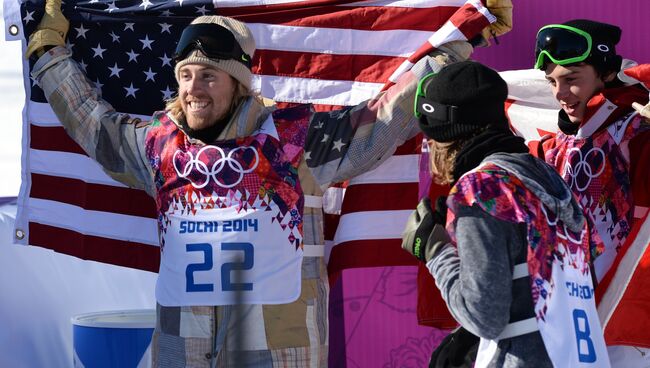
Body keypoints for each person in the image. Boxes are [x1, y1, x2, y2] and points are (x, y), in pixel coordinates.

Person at [24, 0, 478, 366]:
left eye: (208, 75)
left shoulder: (293, 141)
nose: (193, 88)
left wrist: (457, 43)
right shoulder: (158, 148)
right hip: (185, 347)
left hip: (279, 346)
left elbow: (386, 118)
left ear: (238, 83)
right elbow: (92, 124)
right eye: (185, 74)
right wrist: (48, 52)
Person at [402, 61, 610, 367]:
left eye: (431, 138)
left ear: (447, 134)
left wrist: (435, 252)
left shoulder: (481, 190)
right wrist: (469, 338)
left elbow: (485, 316)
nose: (430, 147)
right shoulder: (546, 177)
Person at [530, 19, 650, 363]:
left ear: (606, 74)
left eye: (571, 79)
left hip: (624, 314)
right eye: (551, 81)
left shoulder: (636, 127)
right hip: (571, 311)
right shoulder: (562, 138)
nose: (559, 93)